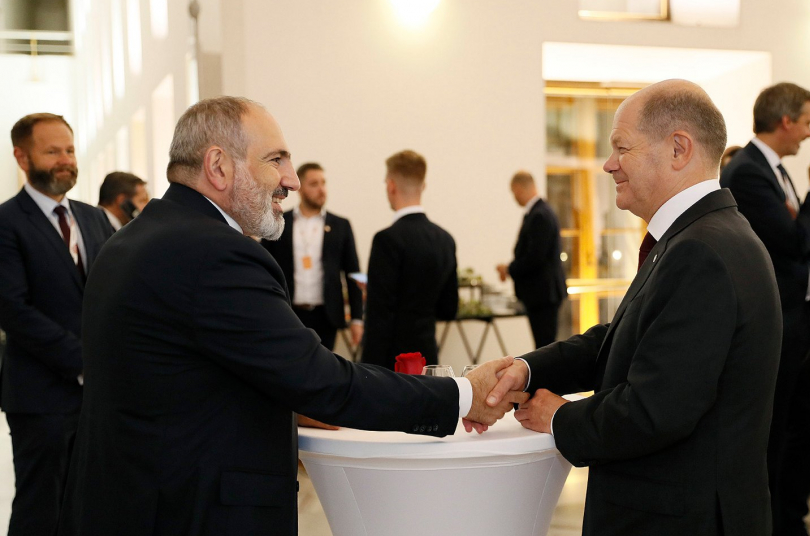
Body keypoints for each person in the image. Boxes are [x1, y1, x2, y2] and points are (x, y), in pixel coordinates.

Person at [55, 97, 524, 536]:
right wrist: (464, 394)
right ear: (218, 166)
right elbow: (323, 381)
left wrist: (291, 399)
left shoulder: (133, 239)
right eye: (275, 159)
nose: (292, 180)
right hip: (190, 513)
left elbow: (179, 376)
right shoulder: (215, 253)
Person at [486, 80, 782, 534]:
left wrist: (560, 417)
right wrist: (527, 369)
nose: (608, 164)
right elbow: (623, 338)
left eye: (622, 148)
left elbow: (655, 410)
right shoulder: (698, 237)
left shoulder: (701, 251)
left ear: (678, 149)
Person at [720, 82, 810, 535]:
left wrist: (809, 223)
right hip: (778, 323)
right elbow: (797, 240)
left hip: (799, 321)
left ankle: (790, 516)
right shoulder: (748, 172)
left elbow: (807, 240)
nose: (809, 133)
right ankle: (777, 522)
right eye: (806, 122)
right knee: (780, 430)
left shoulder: (771, 169)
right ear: (786, 121)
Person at [0, 113, 113, 536]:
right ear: (22, 157)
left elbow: (112, 295)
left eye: (69, 150)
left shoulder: (93, 219)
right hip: (40, 396)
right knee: (41, 508)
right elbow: (13, 309)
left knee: (90, 506)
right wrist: (83, 360)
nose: (65, 159)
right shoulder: (7, 222)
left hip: (99, 397)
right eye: (52, 151)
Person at [360, 150, 458, 369]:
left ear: (391, 186)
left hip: (392, 361)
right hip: (427, 357)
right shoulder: (445, 239)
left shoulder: (387, 240)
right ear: (423, 186)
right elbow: (448, 308)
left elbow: (379, 316)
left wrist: (367, 370)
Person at [261, 162, 364, 351]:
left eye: (323, 183)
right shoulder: (280, 221)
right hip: (288, 312)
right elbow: (264, 268)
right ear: (300, 188)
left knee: (325, 366)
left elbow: (353, 273)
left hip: (327, 315)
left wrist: (357, 318)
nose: (321, 189)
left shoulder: (340, 225)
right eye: (314, 184)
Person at [496, 171, 567, 348]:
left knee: (545, 347)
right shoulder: (540, 212)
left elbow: (535, 257)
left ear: (519, 189)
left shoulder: (539, 215)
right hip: (543, 294)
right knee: (543, 345)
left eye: (514, 192)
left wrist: (509, 269)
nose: (514, 197)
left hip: (543, 294)